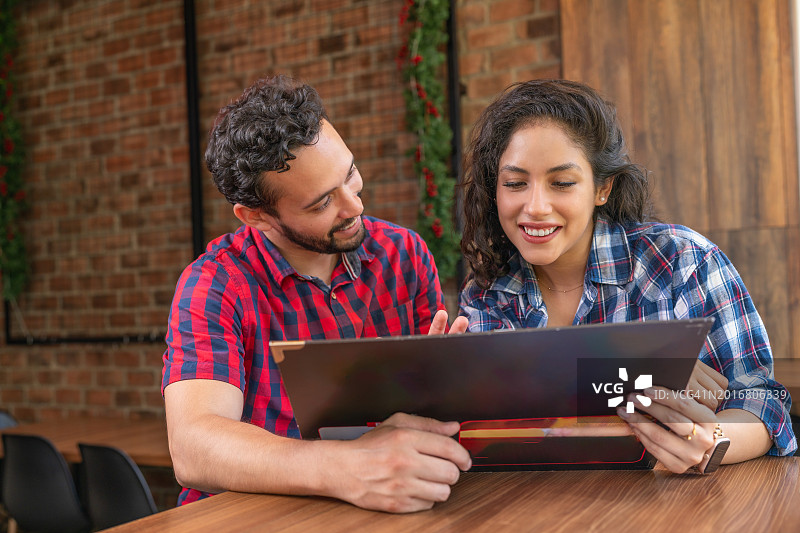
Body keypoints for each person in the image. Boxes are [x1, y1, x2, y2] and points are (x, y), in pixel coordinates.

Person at [162, 75, 470, 513]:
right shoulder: (215, 285)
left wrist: (451, 384)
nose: (355, 206)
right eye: (322, 203)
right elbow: (195, 448)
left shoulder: (404, 254)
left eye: (351, 174)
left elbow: (425, 411)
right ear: (256, 216)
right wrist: (346, 467)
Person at [458, 79, 797, 473]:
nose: (535, 206)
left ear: (602, 187)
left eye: (562, 183)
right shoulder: (488, 295)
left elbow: (762, 403)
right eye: (515, 184)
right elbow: (499, 429)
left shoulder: (682, 261)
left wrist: (711, 441)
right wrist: (635, 367)